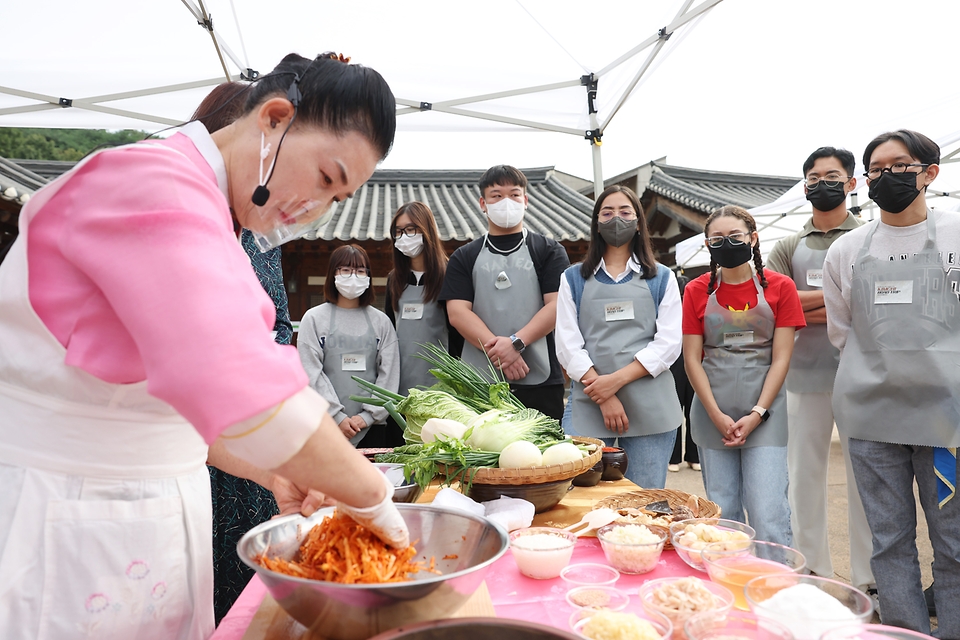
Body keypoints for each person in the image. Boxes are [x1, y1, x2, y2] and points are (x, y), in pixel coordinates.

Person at [0, 53, 409, 639]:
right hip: (60, 512)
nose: (316, 209)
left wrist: (273, 470)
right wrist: (371, 497)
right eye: (325, 177)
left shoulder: (220, 219)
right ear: (274, 117)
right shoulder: (149, 183)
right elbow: (235, 375)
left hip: (149, 515)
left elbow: (177, 405)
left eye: (337, 199)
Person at [823, 129, 960, 637]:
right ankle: (903, 629)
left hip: (948, 417)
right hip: (871, 414)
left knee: (953, 541)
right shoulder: (847, 249)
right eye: (876, 168)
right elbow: (843, 332)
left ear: (930, 172)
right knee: (889, 539)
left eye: (899, 165)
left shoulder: (956, 234)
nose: (886, 176)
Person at [766, 147, 875, 598]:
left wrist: (802, 306)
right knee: (803, 474)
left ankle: (869, 578)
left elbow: (870, 306)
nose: (821, 182)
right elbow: (773, 304)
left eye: (832, 175)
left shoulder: (870, 236)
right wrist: (836, 303)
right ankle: (810, 570)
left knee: (865, 479)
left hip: (861, 378)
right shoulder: (789, 245)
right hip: (803, 378)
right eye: (813, 176)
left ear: (852, 183)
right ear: (804, 185)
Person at [682, 205, 805, 545]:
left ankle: (774, 591)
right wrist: (714, 413)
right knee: (723, 516)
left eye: (734, 236)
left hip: (766, 415)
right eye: (717, 238)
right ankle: (730, 590)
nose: (726, 243)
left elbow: (781, 358)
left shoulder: (781, 288)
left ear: (753, 238)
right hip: (712, 414)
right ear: (707, 245)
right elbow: (692, 358)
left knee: (768, 513)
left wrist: (758, 413)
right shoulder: (696, 290)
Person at [555, 185, 682, 489]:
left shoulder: (662, 278)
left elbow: (668, 344)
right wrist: (606, 393)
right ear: (597, 222)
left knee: (644, 503)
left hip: (651, 406)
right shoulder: (573, 279)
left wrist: (615, 381)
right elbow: (567, 344)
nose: (616, 219)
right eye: (607, 212)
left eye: (625, 212)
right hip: (590, 401)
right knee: (575, 494)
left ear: (638, 222)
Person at [440, 165, 570, 420]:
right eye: (496, 196)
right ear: (483, 203)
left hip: (540, 380)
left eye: (514, 194)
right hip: (478, 381)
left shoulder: (549, 251)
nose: (506, 202)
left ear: (526, 200)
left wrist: (516, 343)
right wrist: (503, 353)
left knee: (543, 457)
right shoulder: (464, 256)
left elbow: (556, 306)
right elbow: (457, 313)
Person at [297, 244, 400, 446]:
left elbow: (389, 375)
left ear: (368, 277)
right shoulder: (314, 319)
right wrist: (337, 416)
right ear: (332, 274)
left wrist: (368, 417)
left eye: (360, 271)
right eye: (345, 270)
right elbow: (310, 372)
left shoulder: (382, 322)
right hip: (324, 424)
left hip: (372, 430)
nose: (353, 276)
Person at [379, 201, 462, 446]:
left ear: (427, 230)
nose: (404, 237)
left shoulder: (450, 276)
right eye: (399, 231)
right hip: (400, 388)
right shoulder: (395, 280)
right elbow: (389, 334)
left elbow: (458, 338)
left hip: (439, 389)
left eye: (411, 229)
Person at [669, 274, 700, 473]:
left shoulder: (696, 306)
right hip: (673, 361)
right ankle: (673, 458)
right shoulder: (668, 310)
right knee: (674, 409)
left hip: (695, 360)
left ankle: (693, 456)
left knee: (693, 409)